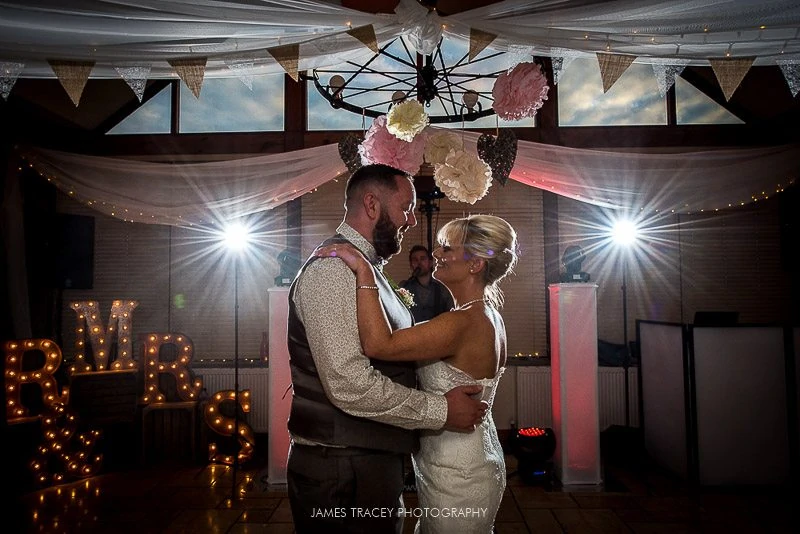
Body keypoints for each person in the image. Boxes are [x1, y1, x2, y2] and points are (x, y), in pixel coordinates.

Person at [285, 163, 488, 534]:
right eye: (406, 207)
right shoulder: (333, 270)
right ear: (372, 205)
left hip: (366, 460)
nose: (411, 220)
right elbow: (349, 383)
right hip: (341, 466)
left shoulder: (365, 267)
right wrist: (441, 410)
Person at [315, 213, 519, 534]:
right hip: (474, 455)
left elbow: (379, 344)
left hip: (458, 473)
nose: (436, 254)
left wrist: (365, 272)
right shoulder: (486, 315)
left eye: (446, 249)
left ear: (476, 264)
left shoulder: (462, 323)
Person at [401, 245, 455, 323]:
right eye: (415, 260)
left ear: (430, 263)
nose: (419, 263)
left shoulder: (443, 287)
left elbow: (451, 314)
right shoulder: (404, 286)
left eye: (422, 259)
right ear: (411, 265)